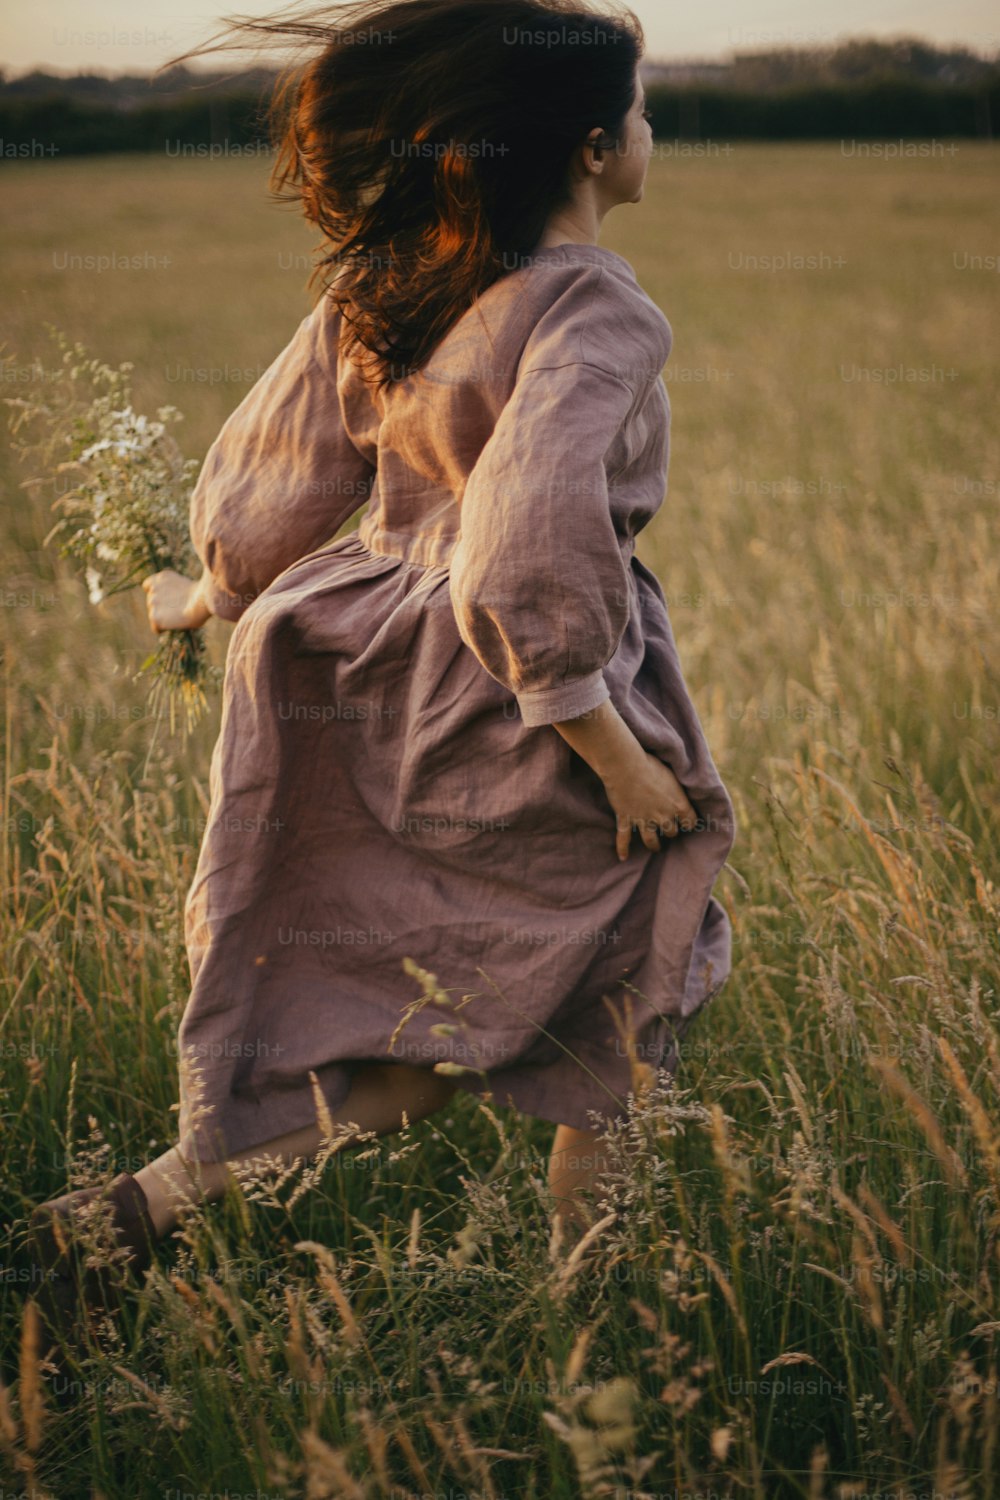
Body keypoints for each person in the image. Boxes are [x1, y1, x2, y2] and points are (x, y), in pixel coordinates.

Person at [28, 0, 736, 1341]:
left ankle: (124, 1220)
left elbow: (273, 482)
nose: (652, 134)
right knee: (630, 996)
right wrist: (617, 753)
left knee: (397, 1052)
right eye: (642, 113)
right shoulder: (595, 303)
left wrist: (213, 593)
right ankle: (597, 1341)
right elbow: (521, 551)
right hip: (520, 690)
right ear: (593, 148)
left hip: (362, 671)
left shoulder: (388, 283)